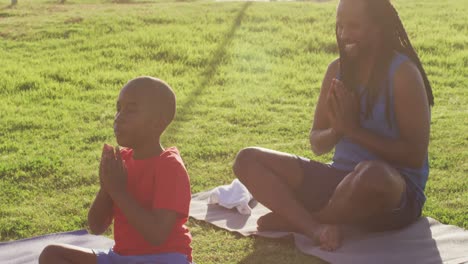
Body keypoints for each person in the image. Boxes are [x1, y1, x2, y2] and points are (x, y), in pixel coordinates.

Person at [233, 0, 433, 251]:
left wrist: (353, 131)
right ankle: (315, 228)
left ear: (378, 27)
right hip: (340, 181)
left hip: (394, 193)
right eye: (340, 26)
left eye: (354, 26)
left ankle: (302, 219)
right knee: (247, 160)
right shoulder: (337, 70)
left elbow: (414, 157)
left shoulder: (403, 74)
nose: (344, 34)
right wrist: (338, 130)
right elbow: (317, 143)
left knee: (372, 174)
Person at [39, 77, 193, 263]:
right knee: (52, 255)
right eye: (118, 108)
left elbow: (157, 235)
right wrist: (107, 187)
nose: (119, 117)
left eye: (131, 110)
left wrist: (118, 191)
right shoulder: (122, 162)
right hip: (120, 258)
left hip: (165, 258)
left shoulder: (169, 166)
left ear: (157, 123)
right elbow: (96, 226)